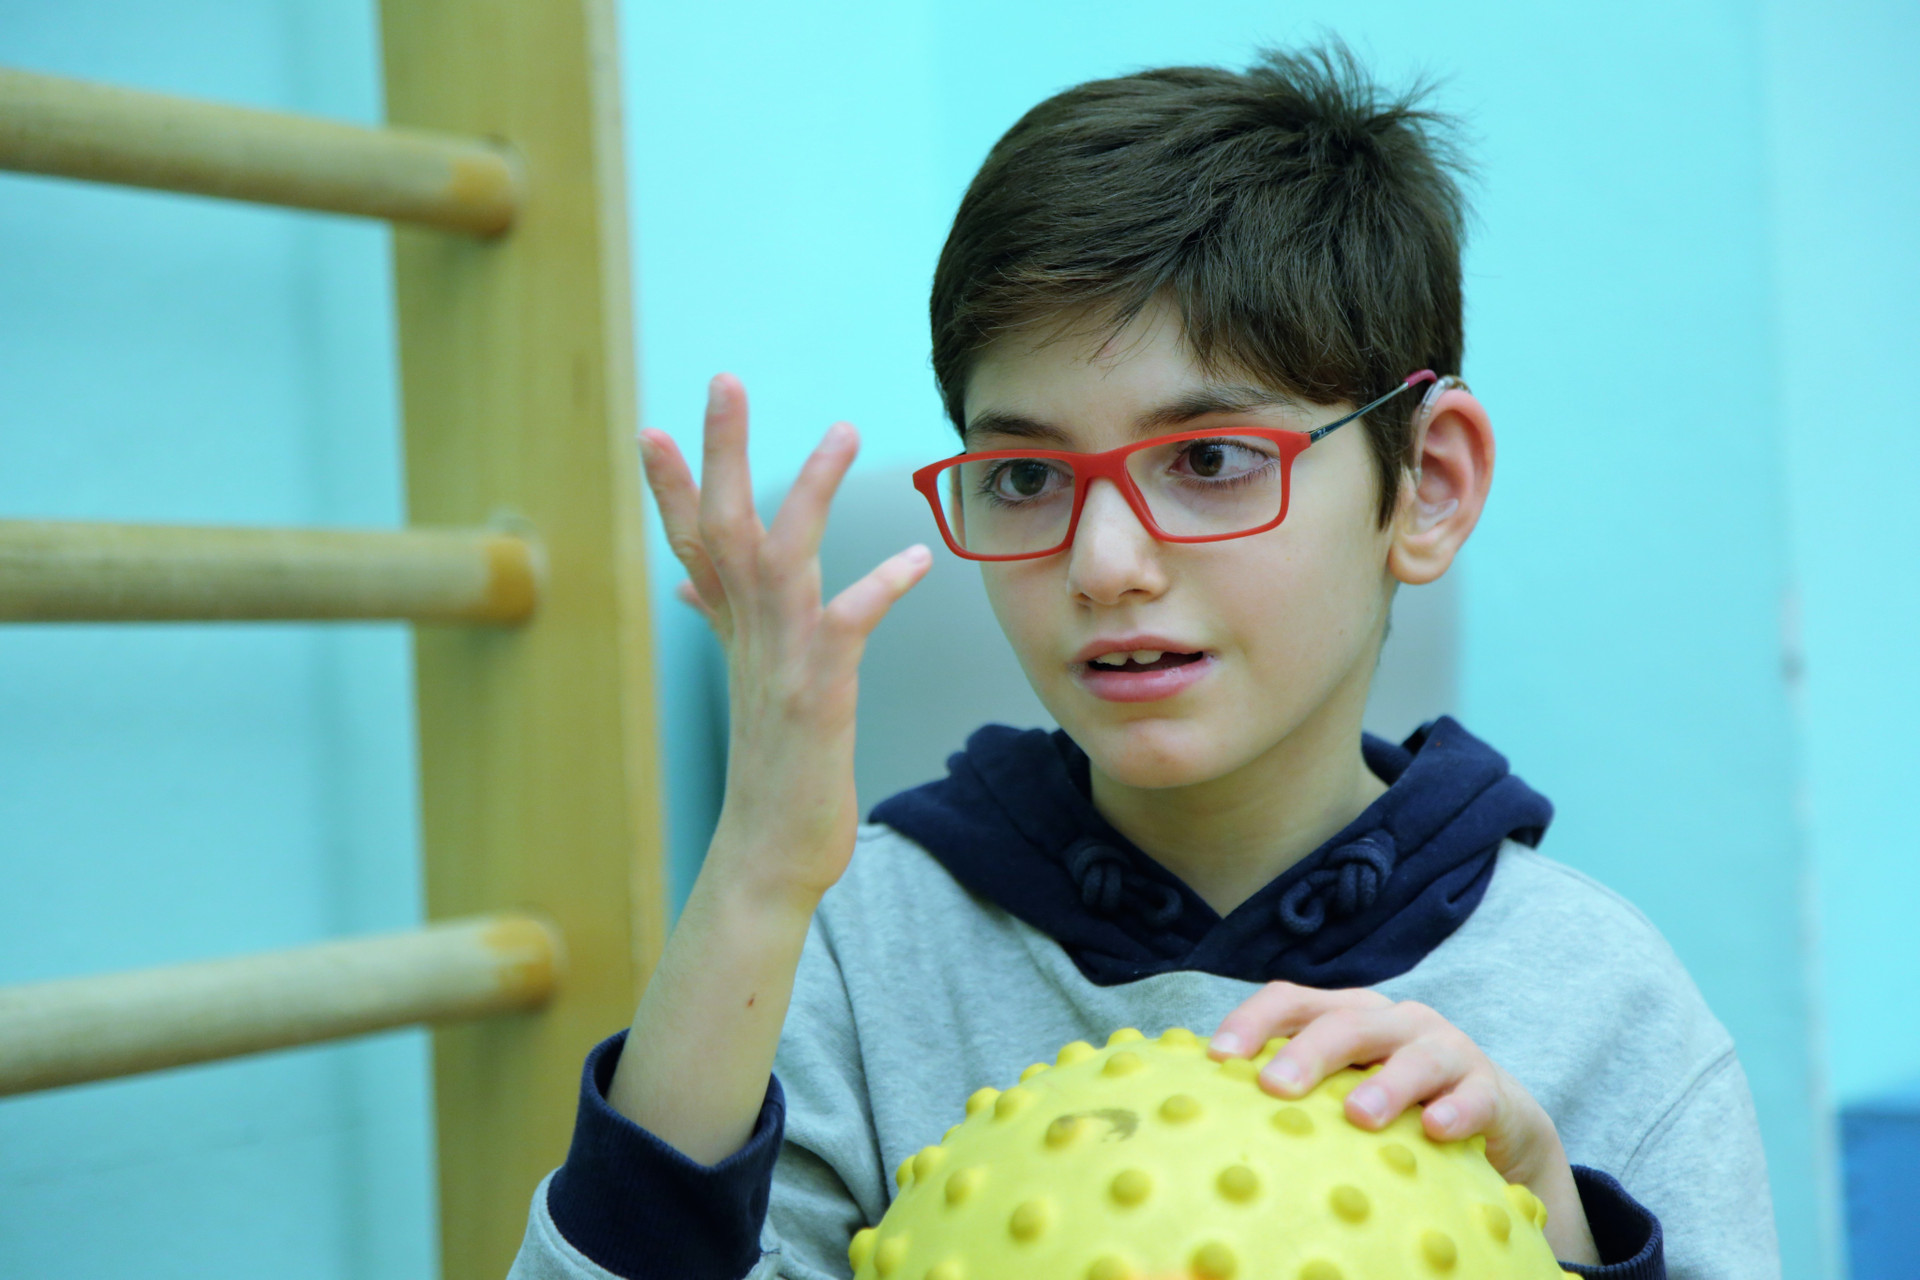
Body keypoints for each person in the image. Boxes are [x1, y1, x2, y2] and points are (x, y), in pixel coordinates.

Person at [510, 45, 1777, 1280]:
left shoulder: (1605, 1002)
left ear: (1427, 484)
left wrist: (1563, 1229)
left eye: (1211, 459)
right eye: (1026, 475)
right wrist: (754, 874)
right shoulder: (854, 951)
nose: (1104, 561)